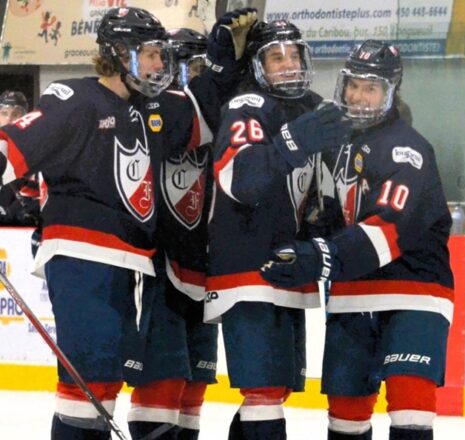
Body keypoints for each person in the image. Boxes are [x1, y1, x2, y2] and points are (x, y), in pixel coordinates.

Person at [0, 7, 194, 440]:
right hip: (81, 253)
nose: (159, 64)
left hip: (132, 261)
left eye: (160, 55)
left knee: (104, 380)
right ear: (120, 53)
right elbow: (14, 146)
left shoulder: (147, 109)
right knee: (85, 380)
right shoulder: (74, 98)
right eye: (149, 54)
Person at [261, 40, 454, 440]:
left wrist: (319, 257)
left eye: (371, 88)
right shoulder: (336, 145)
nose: (358, 96)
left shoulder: (407, 150)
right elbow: (327, 217)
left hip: (413, 292)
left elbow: (387, 229)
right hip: (351, 293)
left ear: (390, 92)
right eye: (353, 85)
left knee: (409, 406)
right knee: (345, 414)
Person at [207, 19, 351, 440]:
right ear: (258, 66)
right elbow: (241, 180)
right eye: (276, 57)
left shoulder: (312, 107)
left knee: (277, 388)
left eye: (294, 56)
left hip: (289, 266)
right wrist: (293, 141)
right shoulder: (247, 106)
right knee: (264, 390)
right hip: (246, 265)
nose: (288, 65)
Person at [157, 11, 257, 439]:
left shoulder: (226, 116)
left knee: (197, 378)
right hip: (162, 265)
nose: (194, 77)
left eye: (200, 67)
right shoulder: (156, 112)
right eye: (187, 67)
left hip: (208, 266)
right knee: (163, 379)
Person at [0, 90, 40, 226]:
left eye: (15, 114)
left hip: (20, 224)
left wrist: (10, 212)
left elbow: (36, 193)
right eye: (4, 113)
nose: (9, 119)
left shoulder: (35, 149)